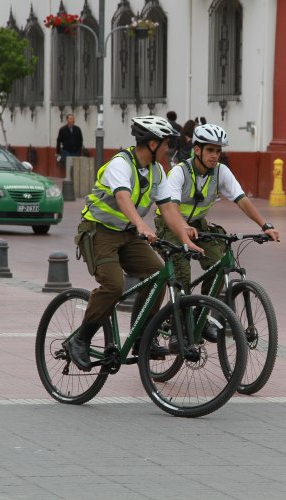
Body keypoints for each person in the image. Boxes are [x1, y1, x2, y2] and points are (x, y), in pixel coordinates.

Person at [66, 115, 203, 371]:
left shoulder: (156, 170)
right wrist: (141, 224)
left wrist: (184, 238)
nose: (168, 149)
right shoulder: (121, 164)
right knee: (114, 286)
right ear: (152, 144)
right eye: (165, 144)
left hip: (128, 234)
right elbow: (122, 197)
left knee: (157, 273)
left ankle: (141, 338)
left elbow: (169, 208)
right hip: (99, 231)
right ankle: (80, 340)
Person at [154, 123, 279, 341]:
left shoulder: (221, 171)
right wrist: (182, 226)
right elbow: (171, 207)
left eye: (218, 151)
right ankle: (178, 327)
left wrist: (265, 225)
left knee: (218, 266)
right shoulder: (179, 172)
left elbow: (241, 199)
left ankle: (201, 317)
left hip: (199, 224)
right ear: (197, 149)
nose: (215, 156)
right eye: (210, 150)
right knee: (182, 273)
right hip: (170, 224)